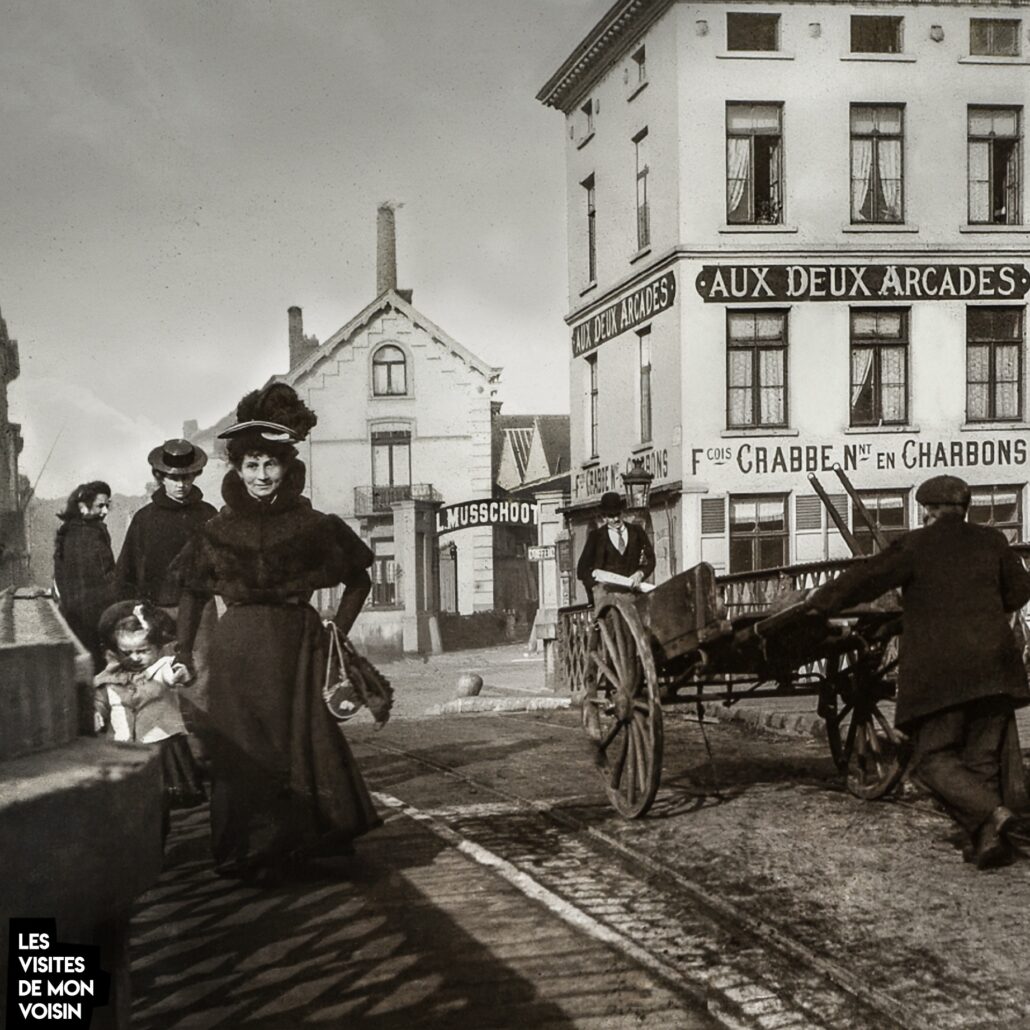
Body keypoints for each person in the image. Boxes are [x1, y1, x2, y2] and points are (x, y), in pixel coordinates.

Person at [175, 382, 380, 884]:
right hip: (237, 648)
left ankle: (303, 842)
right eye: (251, 465)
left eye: (271, 464)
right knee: (242, 747)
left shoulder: (314, 524)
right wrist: (183, 650)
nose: (262, 476)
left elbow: (360, 578)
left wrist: (337, 631)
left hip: (298, 645)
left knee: (301, 742)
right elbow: (191, 592)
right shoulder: (216, 531)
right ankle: (251, 850)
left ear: (287, 467)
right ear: (238, 469)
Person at [807, 474, 1030, 870]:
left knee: (930, 760)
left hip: (944, 675)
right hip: (997, 669)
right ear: (965, 509)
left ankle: (994, 814)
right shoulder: (994, 541)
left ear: (928, 510)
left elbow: (866, 579)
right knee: (981, 760)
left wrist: (820, 603)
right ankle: (987, 843)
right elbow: (1017, 593)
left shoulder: (916, 544)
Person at [116, 439, 218, 752]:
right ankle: (169, 766)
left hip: (201, 613)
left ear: (195, 476)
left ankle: (200, 760)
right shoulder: (144, 520)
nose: (181, 484)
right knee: (158, 687)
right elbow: (126, 574)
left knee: (198, 682)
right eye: (174, 478)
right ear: (160, 477)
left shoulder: (208, 515)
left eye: (187, 477)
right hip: (155, 613)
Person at [94, 601, 206, 831]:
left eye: (143, 651)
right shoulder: (110, 676)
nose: (135, 658)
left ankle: (158, 839)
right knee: (128, 801)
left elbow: (181, 675)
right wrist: (97, 712)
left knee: (157, 801)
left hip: (159, 746)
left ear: (156, 647)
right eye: (127, 652)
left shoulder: (162, 668)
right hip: (123, 748)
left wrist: (182, 673)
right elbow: (103, 699)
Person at [53, 481, 118, 670]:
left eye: (107, 505)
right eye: (100, 506)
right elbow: (105, 577)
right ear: (82, 507)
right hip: (93, 616)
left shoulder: (69, 531)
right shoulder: (89, 535)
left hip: (74, 614)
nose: (105, 511)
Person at [576, 490, 656, 605]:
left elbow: (651, 560)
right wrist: (595, 584)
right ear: (604, 517)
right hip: (608, 599)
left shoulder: (637, 531)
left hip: (634, 594)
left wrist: (640, 573)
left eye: (617, 514)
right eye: (611, 516)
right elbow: (582, 571)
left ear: (622, 512)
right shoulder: (596, 537)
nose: (616, 519)